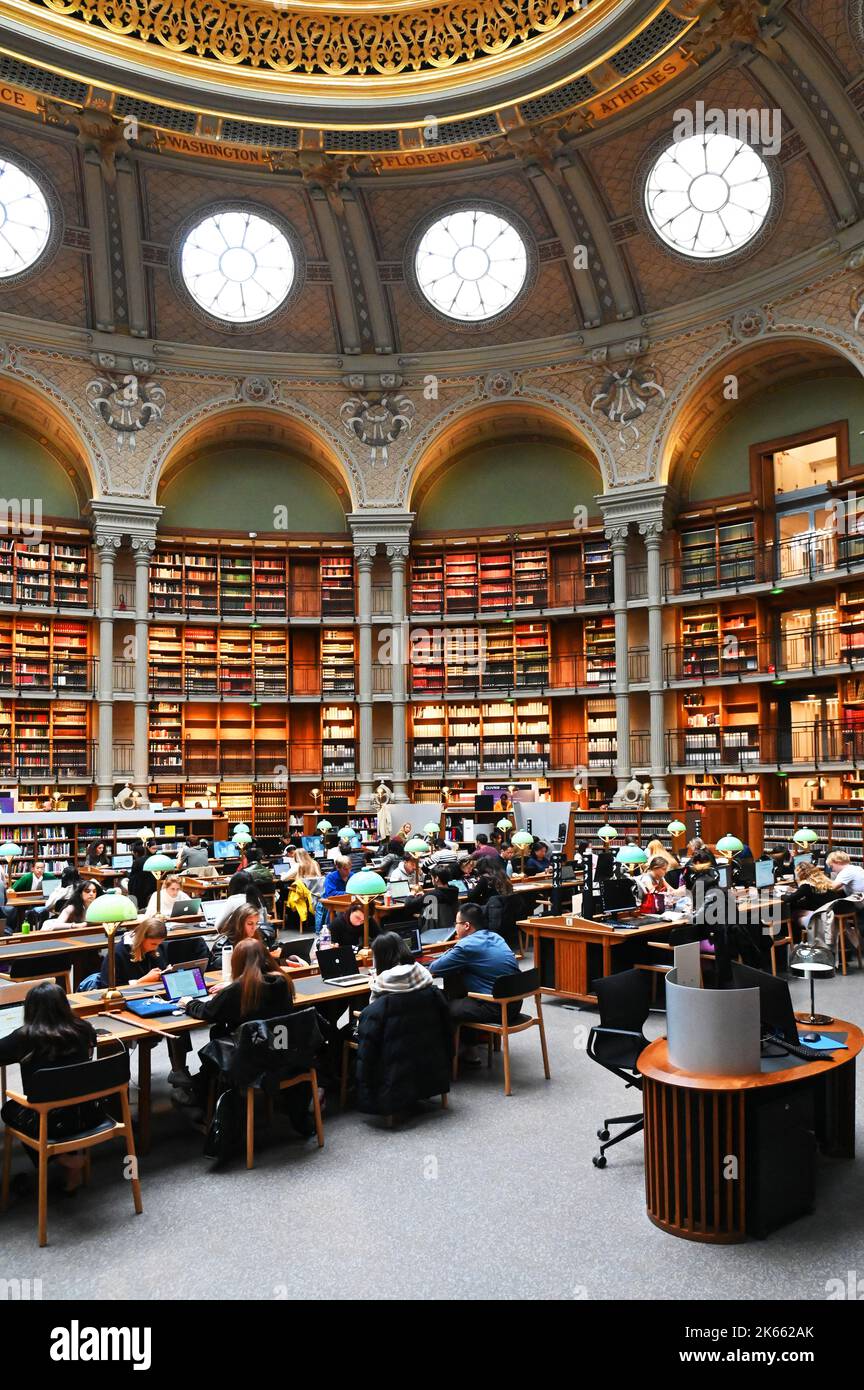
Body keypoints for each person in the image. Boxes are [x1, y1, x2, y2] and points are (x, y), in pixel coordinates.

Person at [0, 982, 101, 1194]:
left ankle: (61, 1157)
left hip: (47, 1122)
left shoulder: (24, 1036)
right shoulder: (84, 1029)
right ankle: (72, 1166)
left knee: (9, 1109)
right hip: (89, 1114)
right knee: (69, 1095)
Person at [354, 932, 452, 1117]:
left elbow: (370, 1022)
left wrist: (373, 984)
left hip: (394, 1051)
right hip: (425, 1046)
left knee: (345, 1030)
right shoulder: (424, 978)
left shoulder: (382, 987)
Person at [429, 905, 522, 1057]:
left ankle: (451, 1055)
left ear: (466, 926)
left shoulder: (467, 945)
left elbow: (434, 968)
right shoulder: (496, 937)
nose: (455, 927)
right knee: (461, 989)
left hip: (496, 1009)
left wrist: (452, 950)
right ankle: (470, 1046)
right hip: (514, 1003)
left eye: (456, 924)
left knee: (444, 1005)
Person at [786, 861, 848, 942]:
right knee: (796, 909)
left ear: (800, 874)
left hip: (821, 917)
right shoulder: (824, 881)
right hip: (831, 914)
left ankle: (795, 943)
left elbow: (789, 899)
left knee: (791, 913)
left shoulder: (806, 885)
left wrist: (780, 895)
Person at [207, 903, 279, 971]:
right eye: (250, 924)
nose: (254, 928)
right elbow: (216, 965)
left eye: (256, 923)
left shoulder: (260, 934)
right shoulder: (224, 942)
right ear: (239, 924)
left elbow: (274, 948)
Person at [102, 915, 169, 986]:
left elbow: (161, 969)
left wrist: (166, 973)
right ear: (141, 939)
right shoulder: (117, 953)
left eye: (159, 943)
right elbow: (107, 985)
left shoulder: (158, 948)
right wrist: (141, 981)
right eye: (153, 944)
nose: (156, 948)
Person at [127, 846, 157, 912]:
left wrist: (126, 873)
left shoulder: (137, 861)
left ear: (136, 853)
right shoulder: (152, 859)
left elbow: (132, 876)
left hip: (139, 889)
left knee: (124, 881)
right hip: (152, 886)